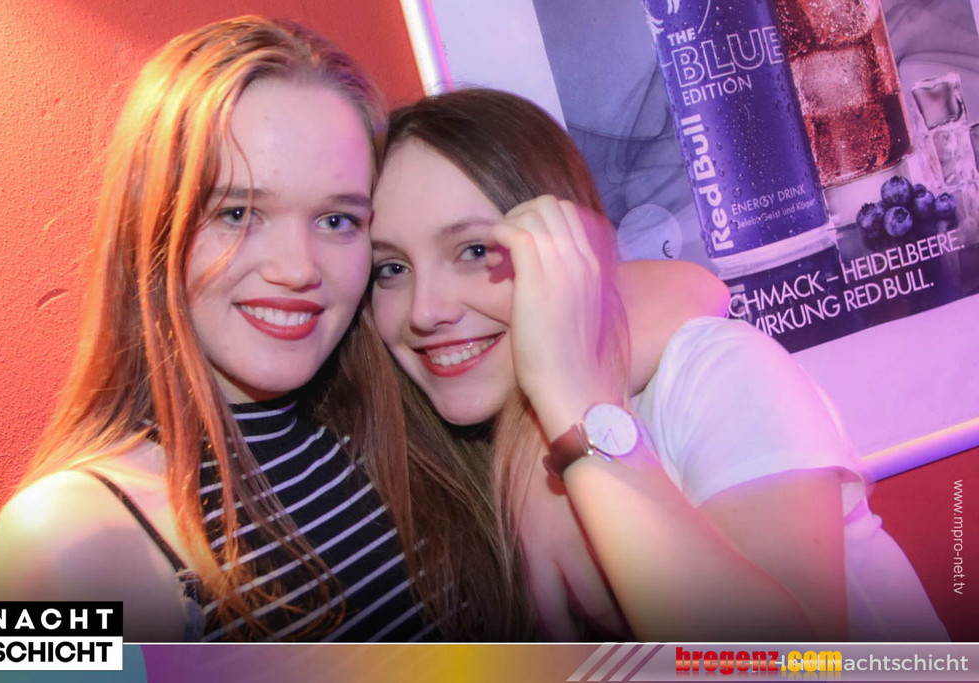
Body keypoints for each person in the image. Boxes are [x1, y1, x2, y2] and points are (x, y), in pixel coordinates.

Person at [0, 18, 728, 642]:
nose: (297, 268)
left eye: (337, 220)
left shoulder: (388, 401)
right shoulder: (66, 531)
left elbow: (689, 286)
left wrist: (541, 446)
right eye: (238, 213)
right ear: (155, 229)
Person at [368, 88, 949, 641]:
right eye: (391, 268)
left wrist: (571, 432)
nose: (425, 311)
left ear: (569, 253)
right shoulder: (405, 454)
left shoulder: (714, 372)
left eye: (474, 251)